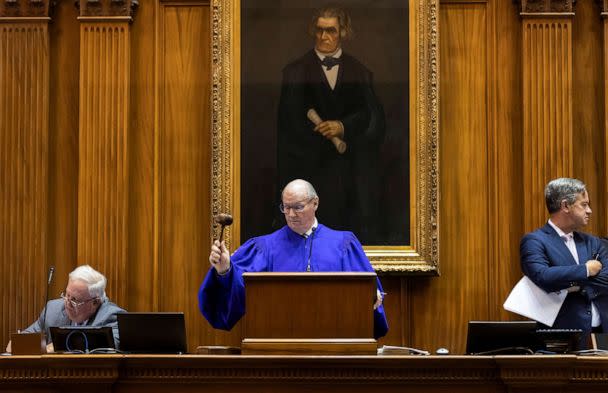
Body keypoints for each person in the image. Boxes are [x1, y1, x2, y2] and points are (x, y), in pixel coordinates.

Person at [199, 179, 388, 339]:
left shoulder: (344, 244)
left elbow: (368, 297)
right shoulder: (263, 248)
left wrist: (371, 299)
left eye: (297, 207)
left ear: (315, 203)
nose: (290, 214)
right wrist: (224, 269)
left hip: (334, 350)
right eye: (286, 207)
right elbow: (238, 292)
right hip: (277, 350)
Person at [277, 5, 385, 243]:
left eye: (331, 31)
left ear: (343, 32)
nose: (324, 37)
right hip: (310, 177)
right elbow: (288, 129)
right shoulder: (294, 72)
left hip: (350, 180)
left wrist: (343, 127)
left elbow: (375, 123)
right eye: (320, 30)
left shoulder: (361, 72)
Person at [520, 178, 608, 348]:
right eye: (584, 205)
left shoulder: (593, 242)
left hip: (603, 334)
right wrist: (585, 270)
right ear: (565, 206)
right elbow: (543, 276)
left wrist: (567, 285)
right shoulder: (534, 241)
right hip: (563, 337)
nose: (589, 211)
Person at [5, 264, 125, 353]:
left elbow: (112, 346)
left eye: (75, 300)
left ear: (95, 302)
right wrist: (19, 343)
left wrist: (57, 346)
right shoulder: (53, 310)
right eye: (67, 295)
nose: (67, 303)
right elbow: (20, 341)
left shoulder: (111, 316)